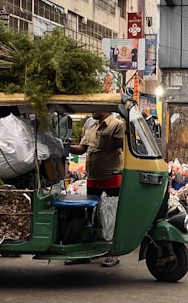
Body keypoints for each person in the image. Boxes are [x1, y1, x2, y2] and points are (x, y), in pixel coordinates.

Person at [66, 112, 125, 267]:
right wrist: (64, 147)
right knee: (90, 216)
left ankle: (112, 253)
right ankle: (85, 252)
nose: (92, 112)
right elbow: (81, 149)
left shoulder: (116, 125)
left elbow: (124, 147)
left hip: (110, 178)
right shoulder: (92, 126)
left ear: (104, 108)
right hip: (93, 179)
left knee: (110, 216)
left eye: (95, 108)